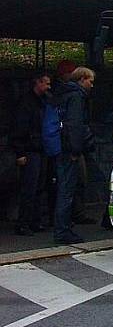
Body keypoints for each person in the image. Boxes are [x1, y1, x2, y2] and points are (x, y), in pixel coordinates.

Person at [53, 66, 96, 244]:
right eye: (90, 81)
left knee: (64, 188)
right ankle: (62, 230)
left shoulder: (62, 94)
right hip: (69, 150)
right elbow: (75, 125)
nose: (92, 85)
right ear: (82, 79)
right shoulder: (76, 97)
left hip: (59, 146)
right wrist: (76, 150)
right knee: (67, 190)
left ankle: (63, 227)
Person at [11, 72, 52, 236]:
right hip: (30, 148)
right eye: (46, 83)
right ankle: (24, 222)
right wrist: (20, 151)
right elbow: (19, 128)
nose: (49, 87)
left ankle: (34, 221)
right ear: (38, 83)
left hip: (38, 147)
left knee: (38, 187)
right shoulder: (27, 104)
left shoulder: (40, 102)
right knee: (29, 188)